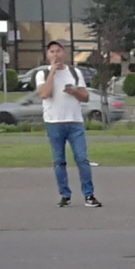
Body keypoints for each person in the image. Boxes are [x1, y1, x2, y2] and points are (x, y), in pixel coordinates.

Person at [36, 40, 100, 208]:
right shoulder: (42, 73)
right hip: (54, 122)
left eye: (58, 51)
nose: (55, 54)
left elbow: (85, 97)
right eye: (52, 52)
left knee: (82, 159)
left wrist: (74, 91)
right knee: (59, 161)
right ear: (47, 55)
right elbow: (44, 94)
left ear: (63, 53)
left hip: (74, 122)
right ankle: (65, 195)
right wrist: (52, 73)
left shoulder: (75, 72)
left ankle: (89, 195)